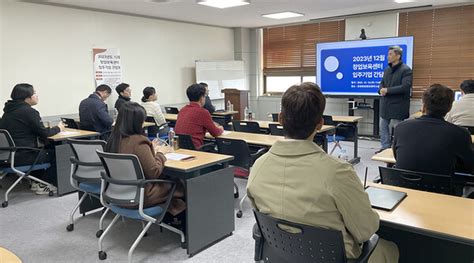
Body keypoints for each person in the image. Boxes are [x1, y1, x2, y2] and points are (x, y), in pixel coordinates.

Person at [247, 82, 399, 263]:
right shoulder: (338, 172)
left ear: (280, 119)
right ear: (319, 124)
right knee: (391, 249)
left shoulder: (258, 166)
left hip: (282, 255)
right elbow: (366, 230)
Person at [105, 102, 185, 215]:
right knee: (181, 182)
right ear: (136, 122)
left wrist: (150, 148)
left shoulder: (113, 139)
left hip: (117, 192)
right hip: (141, 195)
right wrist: (160, 153)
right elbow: (154, 172)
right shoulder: (139, 142)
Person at [393, 84, 473, 175]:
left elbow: (397, 157)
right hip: (441, 187)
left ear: (423, 105)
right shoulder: (461, 133)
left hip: (401, 185)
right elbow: (468, 167)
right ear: (450, 107)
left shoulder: (401, 127)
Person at [0, 83, 65, 194]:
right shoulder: (29, 112)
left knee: (46, 148)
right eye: (34, 93)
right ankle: (42, 183)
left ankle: (34, 180)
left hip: (8, 156)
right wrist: (59, 128)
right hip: (24, 155)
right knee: (59, 152)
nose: (37, 95)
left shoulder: (7, 112)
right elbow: (45, 133)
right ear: (27, 97)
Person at [378, 45, 413, 152]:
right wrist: (380, 90)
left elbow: (405, 87)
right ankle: (385, 147)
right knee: (383, 126)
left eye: (390, 54)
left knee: (398, 128)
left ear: (398, 56)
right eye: (388, 54)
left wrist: (387, 90)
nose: (388, 56)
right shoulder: (387, 70)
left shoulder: (406, 70)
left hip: (398, 105)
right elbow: (382, 84)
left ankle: (397, 149)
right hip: (386, 104)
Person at [175, 84, 223, 149]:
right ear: (201, 98)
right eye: (205, 96)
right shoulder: (203, 112)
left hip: (181, 148)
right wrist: (221, 128)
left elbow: (194, 128)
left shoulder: (182, 110)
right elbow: (215, 133)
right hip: (197, 149)